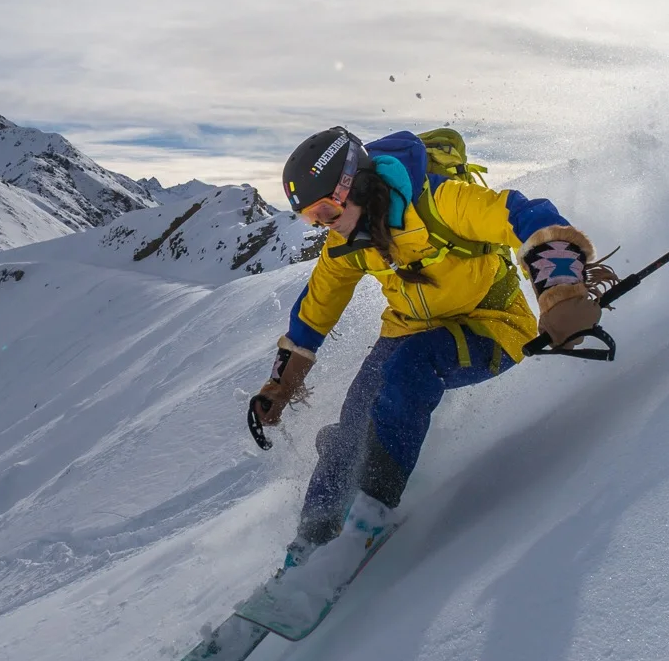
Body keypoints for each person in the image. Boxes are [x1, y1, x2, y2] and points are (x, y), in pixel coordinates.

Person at [250, 126, 609, 592]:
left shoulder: (439, 202)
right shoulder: (347, 243)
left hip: (492, 326)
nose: (324, 225)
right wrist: (279, 385)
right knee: (353, 423)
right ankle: (308, 547)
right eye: (310, 218)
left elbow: (524, 214)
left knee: (410, 371)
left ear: (352, 185)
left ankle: (367, 520)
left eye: (325, 211)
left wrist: (560, 291)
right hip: (409, 329)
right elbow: (312, 313)